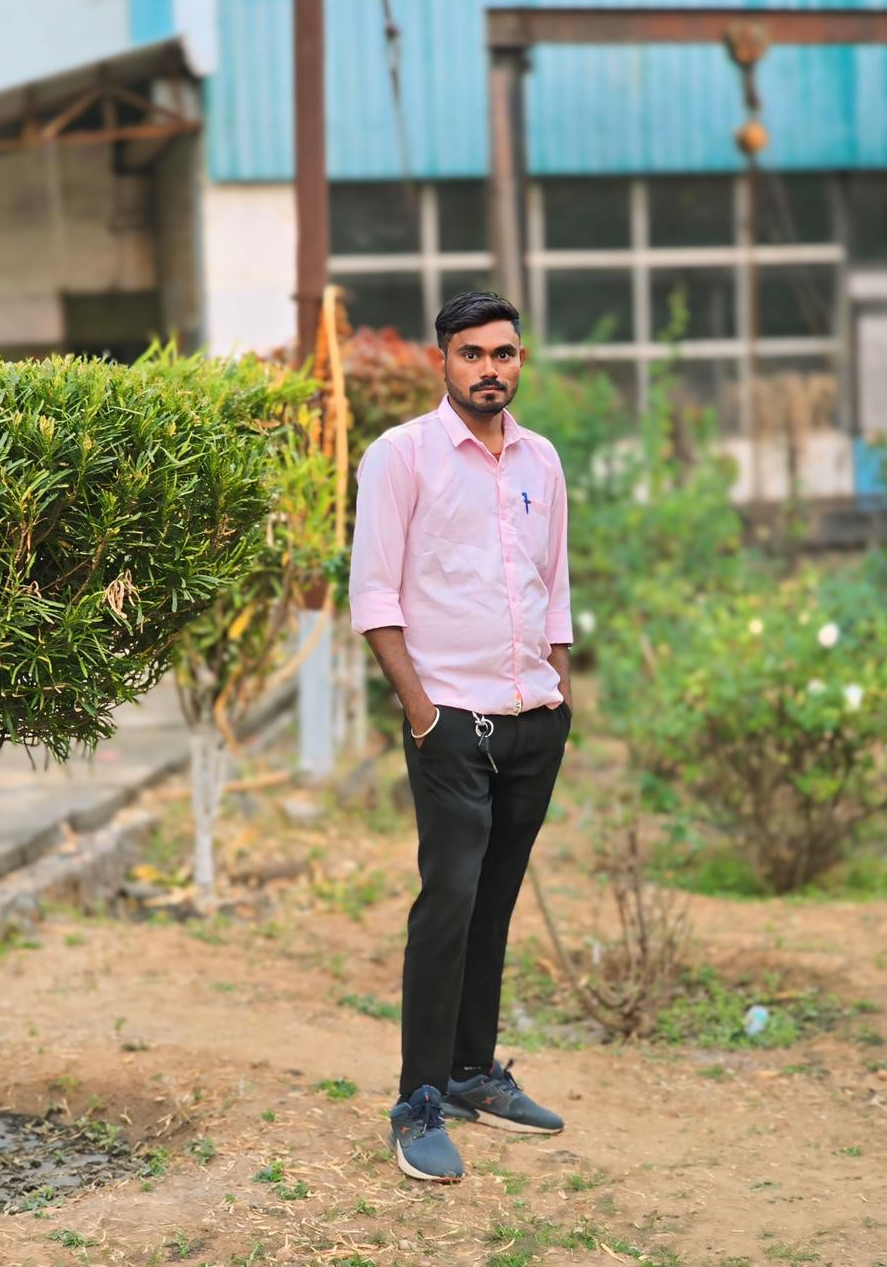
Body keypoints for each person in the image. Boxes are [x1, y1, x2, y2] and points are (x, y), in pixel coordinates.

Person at [348, 290, 573, 1182]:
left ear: (520, 361)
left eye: (503, 353)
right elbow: (375, 595)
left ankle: (474, 1071)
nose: (490, 368)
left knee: (495, 901)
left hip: (533, 721)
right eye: (472, 353)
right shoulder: (401, 455)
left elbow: (553, 584)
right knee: (448, 900)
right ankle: (419, 1102)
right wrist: (422, 714)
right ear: (441, 361)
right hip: (450, 723)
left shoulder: (541, 460)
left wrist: (560, 693)